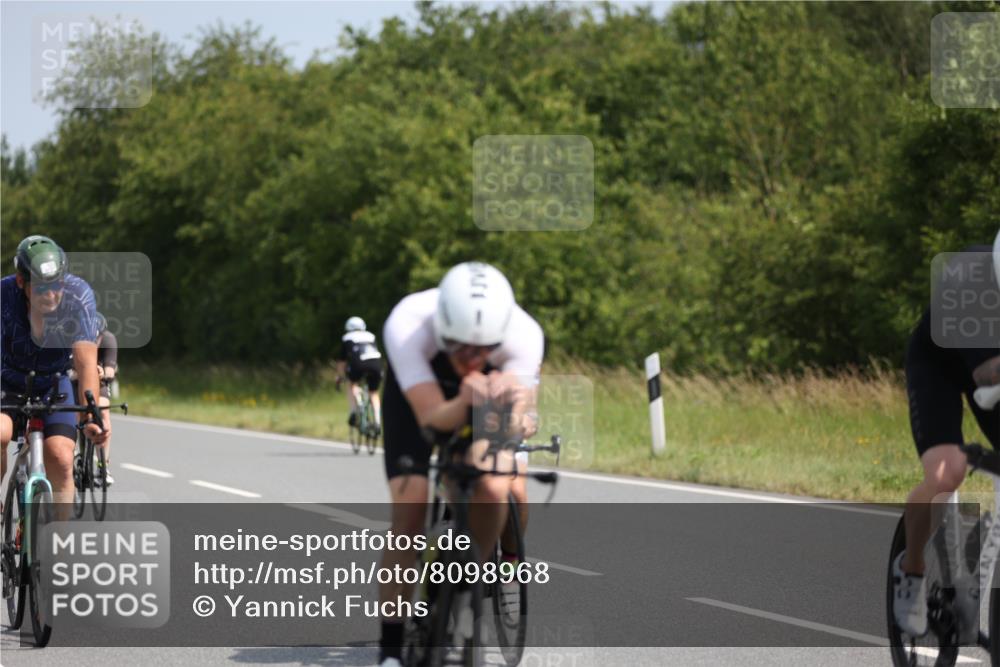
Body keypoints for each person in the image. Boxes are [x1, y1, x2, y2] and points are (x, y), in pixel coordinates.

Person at [375, 261, 543, 667]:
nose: (471, 357)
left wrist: (515, 412)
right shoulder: (409, 323)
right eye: (460, 346)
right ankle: (391, 649)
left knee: (494, 484)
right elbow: (432, 418)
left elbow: (521, 421)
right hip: (422, 399)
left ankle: (470, 574)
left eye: (482, 350)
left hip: (487, 398)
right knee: (410, 514)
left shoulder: (523, 335)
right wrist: (465, 398)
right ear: (442, 329)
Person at [893, 233, 1000, 637]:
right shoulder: (967, 277)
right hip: (943, 365)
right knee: (946, 473)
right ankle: (912, 570)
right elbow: (987, 377)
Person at [0, 235, 110, 508]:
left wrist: (91, 413)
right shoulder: (3, 297)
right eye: (41, 288)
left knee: (61, 458)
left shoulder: (78, 296)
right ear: (21, 282)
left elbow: (85, 362)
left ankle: (58, 546)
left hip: (54, 382)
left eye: (56, 285)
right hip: (7, 380)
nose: (51, 295)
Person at [336, 316, 383, 433]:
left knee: (351, 384)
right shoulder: (371, 336)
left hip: (359, 364)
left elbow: (342, 361)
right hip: (376, 364)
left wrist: (340, 376)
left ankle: (353, 412)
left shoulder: (347, 337)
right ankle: (377, 421)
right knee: (374, 392)